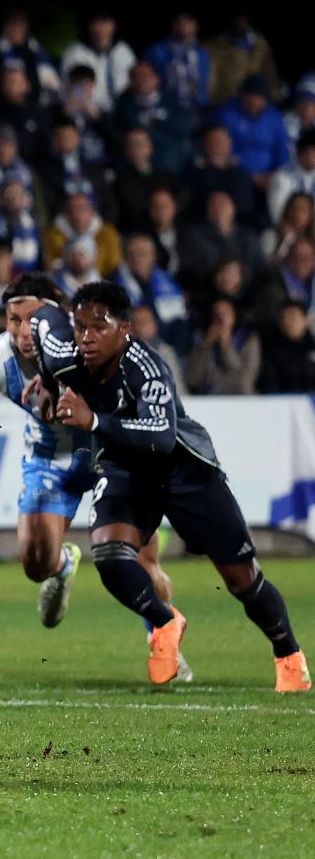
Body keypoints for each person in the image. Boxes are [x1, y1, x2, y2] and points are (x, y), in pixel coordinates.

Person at [30, 281, 307, 691]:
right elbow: (40, 323)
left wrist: (93, 422)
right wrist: (48, 386)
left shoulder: (147, 367)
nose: (86, 337)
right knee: (108, 554)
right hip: (124, 469)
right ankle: (164, 621)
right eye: (81, 326)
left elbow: (159, 436)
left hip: (182, 469)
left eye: (98, 327)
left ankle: (288, 654)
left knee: (242, 579)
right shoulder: (65, 351)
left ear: (124, 330)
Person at [0, 273, 180, 649]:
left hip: (113, 455)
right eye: (13, 320)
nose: (22, 331)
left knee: (141, 562)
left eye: (33, 320)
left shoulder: (93, 345)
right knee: (35, 563)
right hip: (52, 459)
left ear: (59, 316)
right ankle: (63, 565)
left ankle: (164, 646)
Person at [183, 298, 260, 395]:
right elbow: (192, 379)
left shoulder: (248, 339)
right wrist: (206, 345)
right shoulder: (200, 339)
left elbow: (245, 379)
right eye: (217, 315)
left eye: (225, 314)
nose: (221, 319)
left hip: (241, 397)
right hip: (208, 399)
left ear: (234, 316)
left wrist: (226, 347)